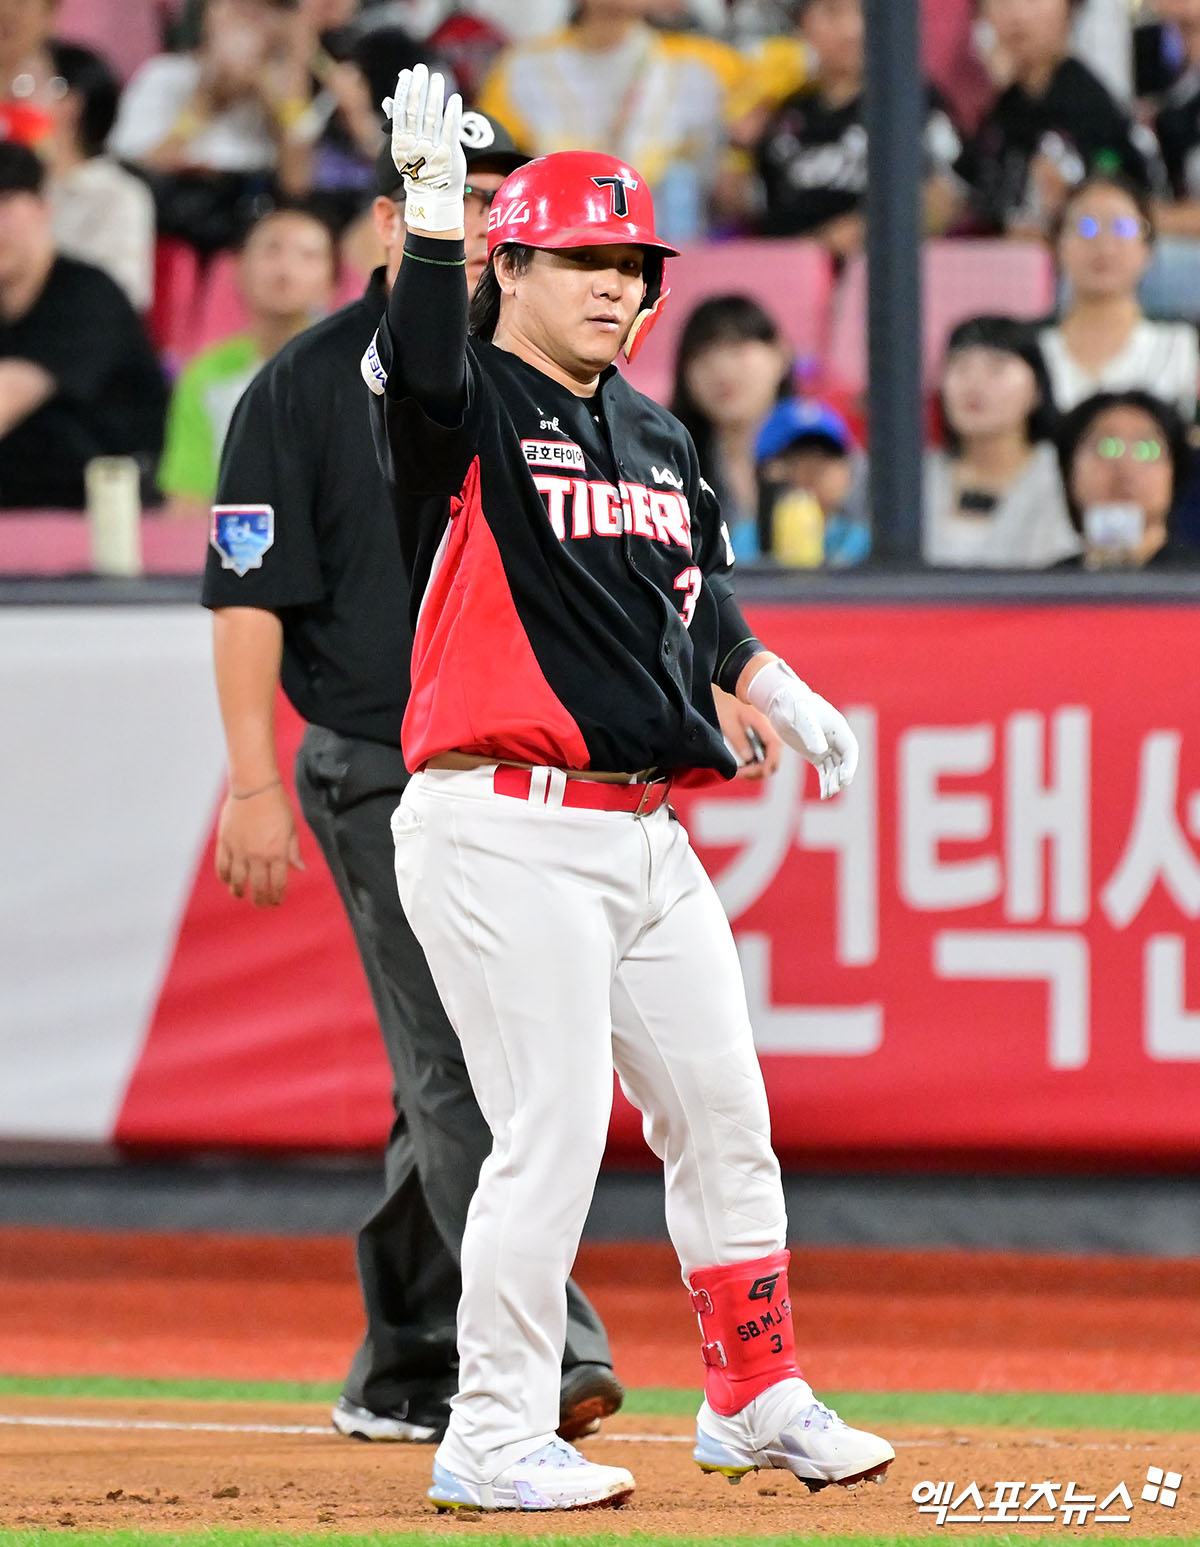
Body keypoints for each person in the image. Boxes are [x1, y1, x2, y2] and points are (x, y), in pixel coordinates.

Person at [365, 62, 894, 1512]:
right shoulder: (464, 398)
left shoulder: (657, 433)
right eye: (583, 259)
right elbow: (419, 368)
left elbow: (695, 597)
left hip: (644, 830)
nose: (617, 285)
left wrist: (769, 677)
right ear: (511, 267)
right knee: (550, 1128)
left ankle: (752, 1391)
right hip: (500, 818)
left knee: (725, 1112)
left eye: (634, 263)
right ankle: (490, 1429)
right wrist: (434, 221)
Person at [203, 109, 631, 1452]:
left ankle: (402, 1358)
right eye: (458, 196)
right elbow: (248, 592)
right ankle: (554, 1344)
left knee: (434, 1064)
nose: (483, 221)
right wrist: (253, 781)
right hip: (382, 766)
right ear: (392, 222)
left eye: (502, 203)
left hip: (510, 767)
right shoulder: (301, 382)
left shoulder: (539, 382)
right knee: (463, 1051)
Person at [476, 0, 748, 242]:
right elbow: (489, 166)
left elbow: (744, 140)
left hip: (676, 248)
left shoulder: (702, 64)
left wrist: (736, 162)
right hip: (558, 246)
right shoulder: (522, 70)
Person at [0, 140, 166, 509]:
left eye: (5, 205)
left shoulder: (88, 295)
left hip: (110, 513)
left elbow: (7, 398)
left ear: (42, 208)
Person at [160, 204, 337, 520]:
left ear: (331, 281)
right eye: (271, 250)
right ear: (239, 269)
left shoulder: (360, 370)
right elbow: (187, 501)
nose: (285, 268)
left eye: (308, 255)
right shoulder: (205, 375)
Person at [751, 0, 963, 255]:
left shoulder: (912, 102)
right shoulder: (788, 115)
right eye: (832, 12)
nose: (853, 30)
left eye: (866, 12)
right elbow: (759, 206)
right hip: (791, 267)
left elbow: (950, 195)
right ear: (802, 23)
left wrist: (872, 230)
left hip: (884, 265)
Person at [108, 0, 315, 253]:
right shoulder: (165, 74)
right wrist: (207, 101)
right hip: (172, 225)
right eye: (239, 9)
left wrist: (284, 94)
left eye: (265, 12)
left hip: (249, 228)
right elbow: (133, 170)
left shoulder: (285, 95)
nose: (249, 22)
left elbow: (297, 187)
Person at [961, 0, 1162, 239]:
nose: (1017, 15)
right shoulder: (1002, 111)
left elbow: (1137, 209)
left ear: (1069, 8)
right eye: (1002, 2)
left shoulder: (1092, 108)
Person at [924, 314, 1079, 568]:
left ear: (1037, 388)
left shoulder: (1065, 475)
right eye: (961, 368)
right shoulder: (916, 477)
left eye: (996, 369)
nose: (974, 385)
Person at [1039, 175, 1199, 419]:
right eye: (1086, 228)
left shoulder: (1184, 344)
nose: (1104, 246)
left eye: (1122, 228)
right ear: (1057, 245)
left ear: (1147, 248)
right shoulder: (1030, 349)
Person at [669, 294, 791, 562]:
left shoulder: (826, 452)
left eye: (736, 348)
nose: (721, 369)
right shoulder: (668, 468)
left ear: (781, 354)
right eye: (702, 355)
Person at [42, 40, 156, 312]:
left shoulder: (118, 196)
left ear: (70, 104)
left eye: (23, 85)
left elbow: (118, 304)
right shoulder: (14, 187)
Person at [1056, 387, 1199, 565]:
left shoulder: (1193, 576)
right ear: (1070, 467)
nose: (1125, 467)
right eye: (1108, 447)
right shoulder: (1044, 581)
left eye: (1147, 450)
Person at [755, 397, 870, 567]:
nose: (812, 471)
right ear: (766, 472)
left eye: (826, 457)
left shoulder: (866, 543)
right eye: (794, 459)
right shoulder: (742, 540)